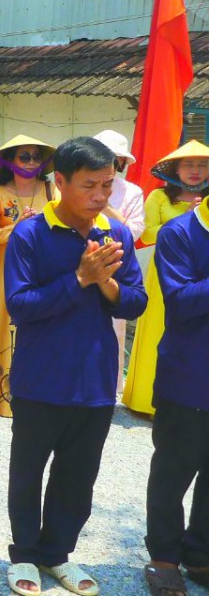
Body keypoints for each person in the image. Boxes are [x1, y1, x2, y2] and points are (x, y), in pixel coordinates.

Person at [2, 137, 146, 596]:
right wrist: (81, 277)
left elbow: (136, 302)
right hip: (41, 376)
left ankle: (58, 553)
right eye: (90, 186)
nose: (101, 196)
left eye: (107, 185)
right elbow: (20, 306)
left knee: (78, 475)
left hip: (96, 377)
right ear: (60, 182)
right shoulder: (29, 234)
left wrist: (106, 284)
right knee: (28, 471)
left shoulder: (116, 234)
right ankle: (25, 554)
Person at [144, 189, 209, 596]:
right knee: (174, 470)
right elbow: (181, 301)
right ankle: (164, 556)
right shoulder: (180, 233)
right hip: (190, 375)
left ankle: (201, 553)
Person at [0, 135, 56, 418]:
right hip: (5, 272)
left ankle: (36, 395)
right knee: (2, 325)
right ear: (9, 161)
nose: (31, 162)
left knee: (40, 326)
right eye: (24, 156)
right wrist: (17, 227)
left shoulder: (51, 190)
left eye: (36, 156)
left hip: (42, 269)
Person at [123, 140, 209, 417]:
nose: (195, 171)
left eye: (202, 165)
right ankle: (146, 400)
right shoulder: (159, 197)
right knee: (158, 330)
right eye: (188, 165)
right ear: (176, 169)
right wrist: (189, 219)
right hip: (166, 271)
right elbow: (147, 234)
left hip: (202, 273)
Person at [92, 129, 145, 394]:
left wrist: (103, 205)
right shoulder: (74, 184)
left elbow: (133, 233)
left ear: (122, 162)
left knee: (112, 330)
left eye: (113, 158)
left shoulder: (132, 192)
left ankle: (107, 391)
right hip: (77, 265)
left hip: (114, 269)